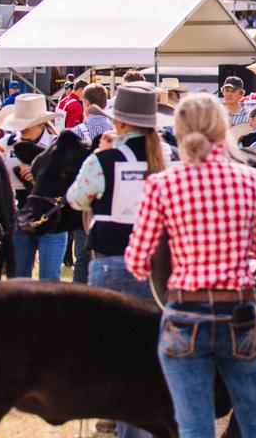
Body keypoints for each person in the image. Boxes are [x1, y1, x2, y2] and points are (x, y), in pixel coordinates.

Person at [125, 92, 256, 438]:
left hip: (184, 311)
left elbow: (137, 261)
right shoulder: (250, 178)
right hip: (239, 308)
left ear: (179, 130)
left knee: (194, 426)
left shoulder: (162, 184)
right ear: (223, 127)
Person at [65, 84, 169, 438]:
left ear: (120, 124)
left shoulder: (103, 159)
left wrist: (102, 152)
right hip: (157, 266)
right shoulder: (165, 157)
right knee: (152, 357)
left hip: (111, 260)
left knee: (119, 359)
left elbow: (77, 199)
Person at [0, 94, 65, 280]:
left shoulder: (57, 146)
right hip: (20, 216)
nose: (22, 128)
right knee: (19, 279)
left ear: (40, 123)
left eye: (26, 122)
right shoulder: (7, 145)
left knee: (50, 279)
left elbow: (70, 186)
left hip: (53, 218)